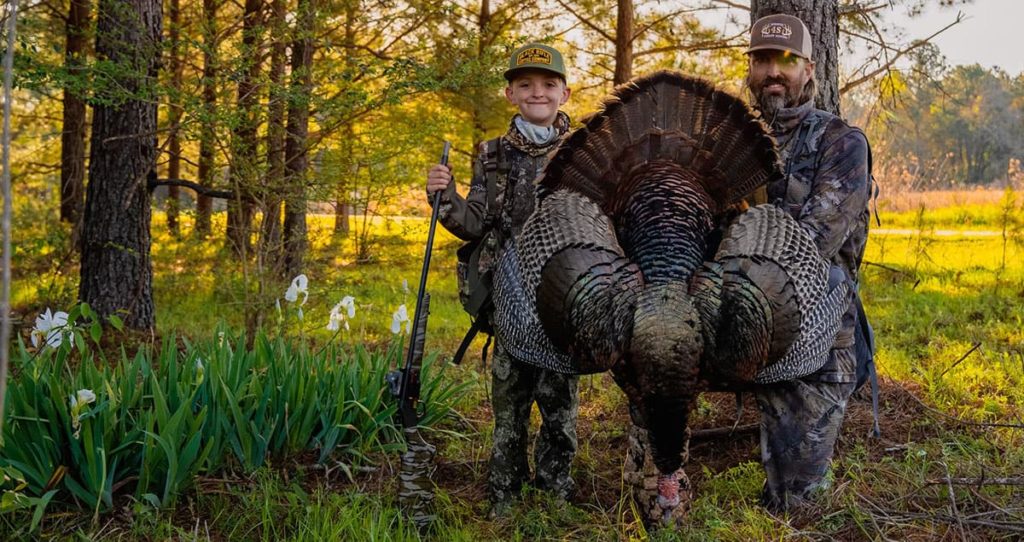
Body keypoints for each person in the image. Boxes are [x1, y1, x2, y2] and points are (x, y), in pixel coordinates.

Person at [425, 42, 579, 516]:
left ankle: (555, 494)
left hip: (562, 299)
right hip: (509, 298)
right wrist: (443, 196)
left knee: (560, 407)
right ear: (510, 94)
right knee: (510, 405)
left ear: (565, 93)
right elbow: (475, 223)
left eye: (548, 84)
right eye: (526, 84)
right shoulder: (491, 155)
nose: (538, 92)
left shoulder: (583, 152)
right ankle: (504, 497)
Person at [744, 13, 872, 511]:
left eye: (786, 60)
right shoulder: (732, 141)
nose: (774, 71)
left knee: (794, 502)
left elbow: (813, 241)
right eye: (763, 60)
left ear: (809, 69)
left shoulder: (841, 142)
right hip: (748, 326)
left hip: (817, 336)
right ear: (751, 69)